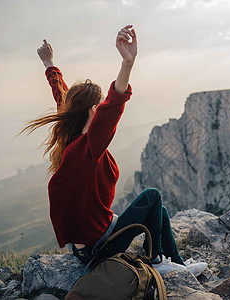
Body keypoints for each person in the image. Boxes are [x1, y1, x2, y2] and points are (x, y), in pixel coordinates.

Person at [22, 25, 206, 276]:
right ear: (94, 111)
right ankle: (155, 262)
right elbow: (114, 104)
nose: (102, 109)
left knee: (159, 211)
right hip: (100, 248)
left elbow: (61, 96)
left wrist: (49, 62)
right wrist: (127, 63)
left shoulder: (72, 135)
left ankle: (178, 265)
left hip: (90, 243)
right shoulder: (88, 148)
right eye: (99, 106)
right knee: (151, 196)